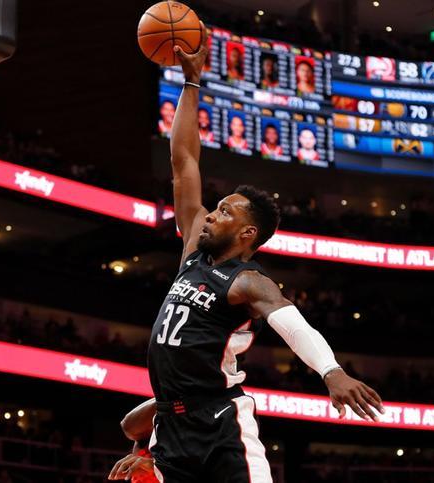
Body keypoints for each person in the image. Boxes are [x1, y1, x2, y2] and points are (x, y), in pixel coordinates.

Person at [142, 23, 384, 483]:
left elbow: (292, 322)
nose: (210, 214)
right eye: (214, 208)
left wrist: (331, 371)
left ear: (248, 232)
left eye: (224, 211)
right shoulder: (194, 253)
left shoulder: (246, 280)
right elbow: (184, 162)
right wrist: (191, 83)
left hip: (221, 424)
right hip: (170, 426)